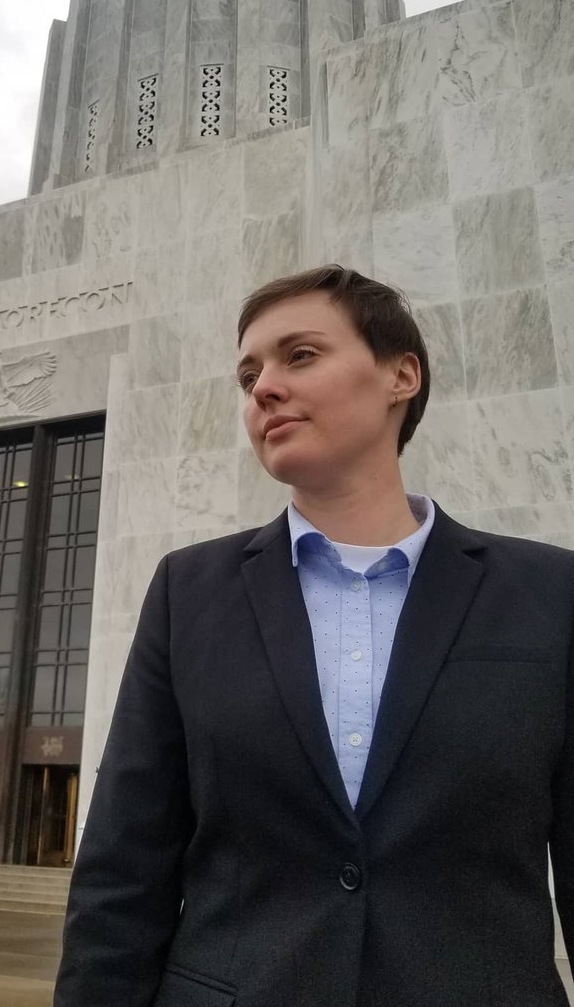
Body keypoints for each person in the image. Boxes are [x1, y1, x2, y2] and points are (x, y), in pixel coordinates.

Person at [54, 265, 574, 1007]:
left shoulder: (550, 593)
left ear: (401, 375)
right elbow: (122, 869)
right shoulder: (189, 593)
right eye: (248, 374)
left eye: (299, 356)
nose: (263, 387)